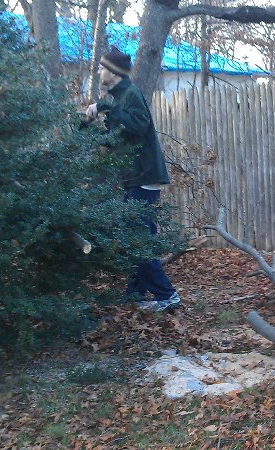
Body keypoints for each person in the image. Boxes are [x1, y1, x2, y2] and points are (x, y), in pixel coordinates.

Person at [84, 48, 180, 312]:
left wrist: (104, 107)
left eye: (102, 68)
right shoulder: (119, 96)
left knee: (139, 239)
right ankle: (135, 293)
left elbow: (139, 126)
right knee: (134, 236)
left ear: (113, 73)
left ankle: (167, 295)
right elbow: (117, 139)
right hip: (133, 177)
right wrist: (86, 131)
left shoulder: (130, 94)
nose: (99, 72)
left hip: (144, 176)